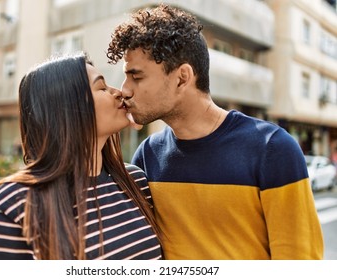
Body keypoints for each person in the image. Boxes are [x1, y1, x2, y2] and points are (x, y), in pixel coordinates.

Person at [106, 4, 324, 260]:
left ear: (182, 78)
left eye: (137, 77)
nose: (125, 89)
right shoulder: (147, 155)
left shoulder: (272, 148)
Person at [0, 53, 162, 260]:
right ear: (68, 108)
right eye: (101, 87)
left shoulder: (135, 180)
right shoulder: (13, 204)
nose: (119, 92)